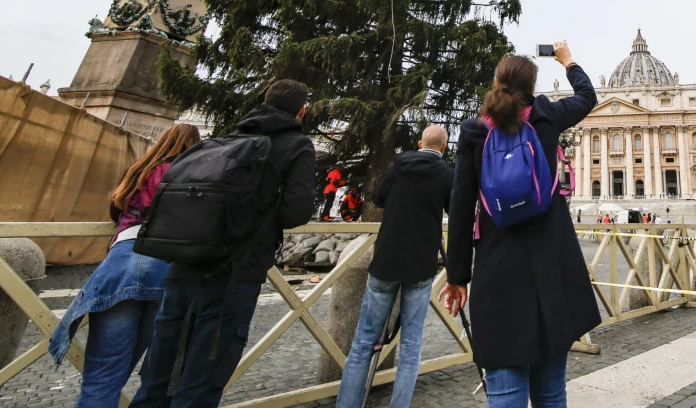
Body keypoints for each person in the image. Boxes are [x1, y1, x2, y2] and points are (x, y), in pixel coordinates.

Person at [131, 79, 317, 408]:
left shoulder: (224, 140)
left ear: (264, 100)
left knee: (160, 366)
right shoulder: (295, 144)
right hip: (236, 270)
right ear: (301, 110)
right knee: (205, 374)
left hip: (184, 262)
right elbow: (295, 211)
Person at [442, 43, 598, 408]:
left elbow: (461, 208)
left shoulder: (474, 133)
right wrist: (568, 60)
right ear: (532, 87)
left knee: (506, 395)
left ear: (497, 83)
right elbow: (588, 96)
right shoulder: (546, 115)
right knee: (551, 394)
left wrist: (457, 276)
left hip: (499, 272)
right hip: (550, 271)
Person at [48, 124, 201, 408]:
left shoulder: (140, 170)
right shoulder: (193, 175)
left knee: (104, 374)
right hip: (166, 270)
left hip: (123, 263)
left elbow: (117, 208)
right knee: (143, 364)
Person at [334, 125, 454, 408]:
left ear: (419, 142)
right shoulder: (447, 174)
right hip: (422, 264)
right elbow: (454, 209)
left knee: (363, 343)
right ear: (444, 148)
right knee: (411, 347)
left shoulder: (398, 165)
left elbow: (378, 198)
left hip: (387, 260)